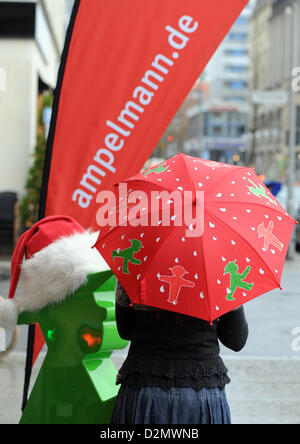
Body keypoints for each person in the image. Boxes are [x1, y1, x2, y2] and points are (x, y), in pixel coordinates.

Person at [111, 281, 248, 425]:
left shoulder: (138, 265)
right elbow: (236, 341)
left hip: (144, 386)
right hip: (202, 390)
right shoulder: (218, 274)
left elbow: (125, 330)